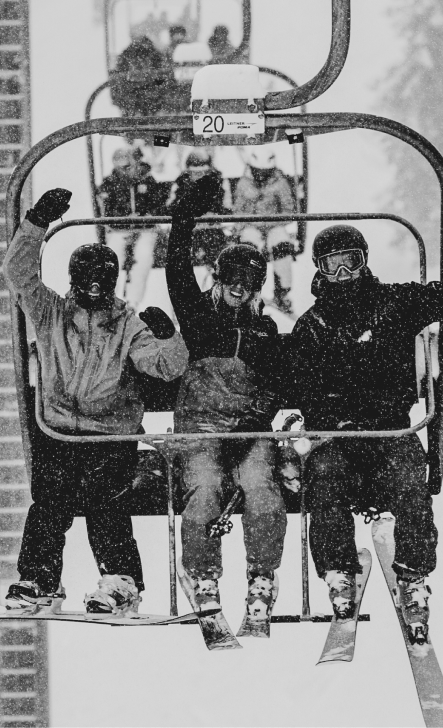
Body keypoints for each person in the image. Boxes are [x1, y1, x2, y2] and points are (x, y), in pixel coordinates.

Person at [289, 213, 443, 644]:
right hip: (341, 437)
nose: (344, 273)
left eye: (350, 260)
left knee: (410, 479)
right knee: (324, 478)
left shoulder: (395, 304)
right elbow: (304, 392)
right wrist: (326, 423)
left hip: (390, 432)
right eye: (333, 264)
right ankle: (339, 572)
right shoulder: (312, 327)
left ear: (365, 261)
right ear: (320, 270)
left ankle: (413, 574)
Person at [2, 188, 189, 615]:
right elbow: (18, 273)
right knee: (50, 501)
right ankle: (39, 579)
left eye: (101, 283)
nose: (92, 290)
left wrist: (167, 336)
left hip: (109, 435)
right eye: (86, 282)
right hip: (58, 430)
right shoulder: (52, 314)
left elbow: (165, 366)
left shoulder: (126, 325)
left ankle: (121, 579)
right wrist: (36, 222)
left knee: (105, 501)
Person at [164, 174, 288, 633]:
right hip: (200, 426)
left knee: (260, 484)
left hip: (247, 428)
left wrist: (256, 419)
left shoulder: (266, 331)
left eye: (249, 283)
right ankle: (203, 576)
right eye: (232, 280)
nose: (239, 289)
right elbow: (176, 265)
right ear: (218, 280)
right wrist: (184, 215)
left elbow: (276, 383)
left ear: (258, 288)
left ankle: (261, 576)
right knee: (205, 486)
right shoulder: (198, 316)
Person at [97, 146, 168, 308]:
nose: (125, 172)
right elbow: (106, 213)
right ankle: (107, 300)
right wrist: (123, 220)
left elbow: (158, 206)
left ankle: (133, 302)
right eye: (121, 168)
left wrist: (146, 217)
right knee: (112, 257)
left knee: (143, 256)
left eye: (128, 167)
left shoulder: (147, 181)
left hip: (145, 229)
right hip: (120, 230)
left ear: (135, 163)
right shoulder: (110, 184)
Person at [232, 147, 298, 316]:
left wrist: (271, 222)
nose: (261, 176)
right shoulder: (244, 184)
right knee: (248, 247)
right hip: (251, 226)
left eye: (265, 172)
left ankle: (282, 291)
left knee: (281, 244)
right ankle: (247, 291)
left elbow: (288, 210)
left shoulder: (280, 183)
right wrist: (241, 228)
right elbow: (238, 212)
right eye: (257, 172)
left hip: (274, 225)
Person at [165, 149, 232, 276]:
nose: (199, 176)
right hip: (189, 228)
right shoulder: (181, 183)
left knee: (215, 245)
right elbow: (170, 207)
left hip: (213, 228)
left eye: (203, 172)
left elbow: (227, 208)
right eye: (194, 173)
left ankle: (216, 275)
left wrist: (215, 214)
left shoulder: (219, 182)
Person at [110, 33, 175, 117]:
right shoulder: (156, 56)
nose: (139, 65)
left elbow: (116, 92)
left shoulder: (125, 57)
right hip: (151, 103)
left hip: (135, 103)